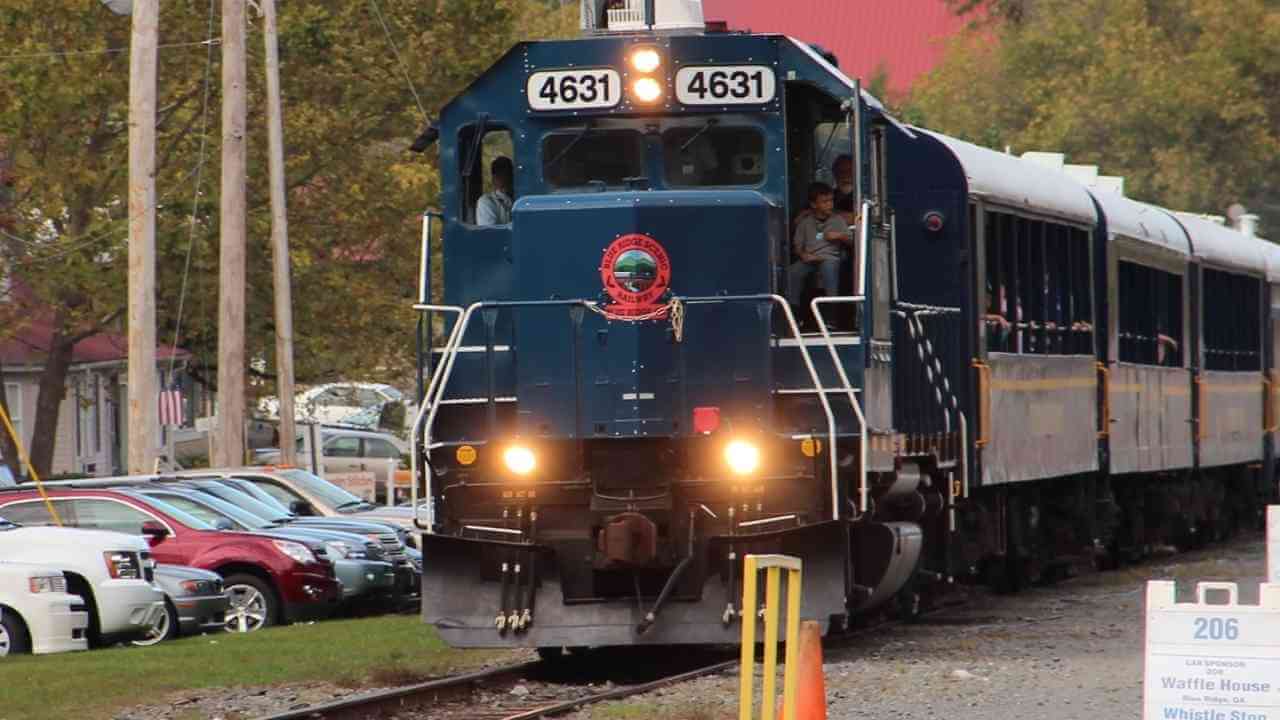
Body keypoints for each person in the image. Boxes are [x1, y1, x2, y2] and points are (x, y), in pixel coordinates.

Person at [788, 182, 852, 308]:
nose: (830, 205)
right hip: (810, 257)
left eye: (831, 201)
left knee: (829, 269)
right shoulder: (805, 222)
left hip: (830, 257)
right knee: (793, 272)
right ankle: (792, 307)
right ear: (813, 204)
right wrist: (803, 255)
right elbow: (797, 245)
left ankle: (832, 307)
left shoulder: (838, 220)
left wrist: (840, 236)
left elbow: (851, 240)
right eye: (825, 202)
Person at [476, 156, 513, 226]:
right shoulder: (486, 201)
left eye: (507, 173)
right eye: (499, 173)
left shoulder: (519, 198)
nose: (503, 177)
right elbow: (490, 231)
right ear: (493, 177)